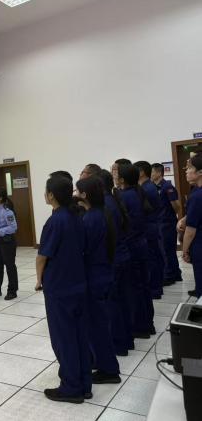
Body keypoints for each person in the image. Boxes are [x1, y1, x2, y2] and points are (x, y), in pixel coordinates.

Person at [36, 176, 91, 403]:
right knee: (79, 336)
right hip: (78, 283)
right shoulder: (77, 216)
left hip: (59, 287)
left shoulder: (55, 221)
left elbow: (42, 256)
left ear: (51, 195)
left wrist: (38, 279)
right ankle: (84, 384)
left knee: (63, 338)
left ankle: (71, 387)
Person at [75, 176, 121, 383]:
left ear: (85, 194)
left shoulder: (91, 218)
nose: (75, 194)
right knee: (99, 323)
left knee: (97, 326)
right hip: (103, 273)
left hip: (95, 277)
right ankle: (102, 362)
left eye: (78, 191)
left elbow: (83, 248)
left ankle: (109, 370)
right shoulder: (101, 212)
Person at [117, 163, 155, 338]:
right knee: (143, 286)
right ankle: (148, 323)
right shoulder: (138, 192)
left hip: (132, 246)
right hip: (141, 243)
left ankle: (140, 327)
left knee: (136, 288)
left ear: (122, 179)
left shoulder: (125, 196)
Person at [99, 169, 134, 356]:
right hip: (121, 256)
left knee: (113, 303)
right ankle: (125, 340)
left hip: (114, 260)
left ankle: (119, 344)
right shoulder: (112, 199)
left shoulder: (105, 205)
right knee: (121, 300)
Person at [134, 160, 164, 299]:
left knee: (152, 259)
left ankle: (155, 289)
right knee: (154, 258)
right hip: (151, 225)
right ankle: (156, 287)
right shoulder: (147, 186)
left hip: (149, 226)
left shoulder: (146, 188)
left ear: (141, 172)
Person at [151, 163, 182, 284]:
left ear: (159, 173)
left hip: (167, 222)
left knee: (167, 250)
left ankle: (169, 275)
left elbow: (176, 206)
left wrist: (169, 216)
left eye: (152, 172)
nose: (151, 174)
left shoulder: (167, 186)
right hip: (160, 222)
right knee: (165, 249)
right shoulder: (154, 187)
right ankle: (176, 273)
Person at [182, 154, 202, 298]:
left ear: (200, 172)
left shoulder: (197, 196)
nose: (186, 171)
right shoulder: (196, 192)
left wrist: (184, 250)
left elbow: (190, 231)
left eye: (190, 168)